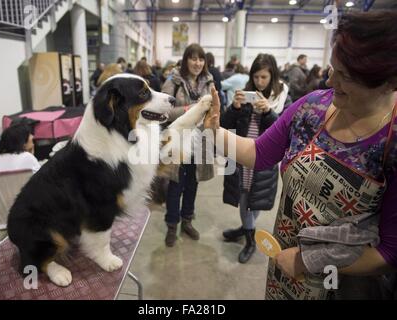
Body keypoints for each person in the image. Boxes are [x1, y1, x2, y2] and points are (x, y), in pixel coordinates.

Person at [203, 11, 397, 299]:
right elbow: (258, 153)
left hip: (341, 285)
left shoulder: (391, 142)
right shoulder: (312, 108)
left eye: (345, 76)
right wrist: (214, 131)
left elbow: (389, 252)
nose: (331, 82)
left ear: (389, 82)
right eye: (333, 69)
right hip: (285, 268)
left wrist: (309, 260)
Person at [221, 53, 291, 263]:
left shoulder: (282, 97)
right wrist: (234, 107)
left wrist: (269, 112)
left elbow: (287, 131)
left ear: (272, 76)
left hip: (265, 160)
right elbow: (224, 124)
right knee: (244, 199)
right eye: (256, 77)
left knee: (257, 201)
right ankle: (249, 234)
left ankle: (247, 233)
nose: (259, 82)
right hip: (241, 156)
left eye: (264, 77)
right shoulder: (245, 93)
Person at [161, 43, 215, 247]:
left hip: (200, 142)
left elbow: (216, 108)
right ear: (185, 60)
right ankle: (171, 226)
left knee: (193, 184)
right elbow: (163, 111)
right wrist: (190, 109)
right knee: (175, 186)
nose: (197, 63)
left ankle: (187, 221)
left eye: (201, 59)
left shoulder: (209, 82)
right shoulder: (174, 80)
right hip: (178, 142)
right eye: (193, 58)